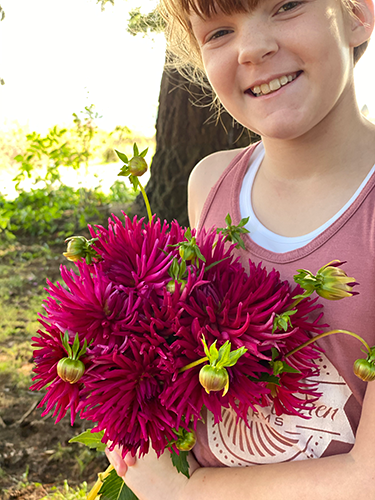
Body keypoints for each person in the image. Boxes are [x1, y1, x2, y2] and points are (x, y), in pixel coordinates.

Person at [105, 0, 375, 498]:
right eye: (219, 32)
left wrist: (181, 492)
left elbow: (369, 476)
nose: (252, 48)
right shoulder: (209, 184)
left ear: (357, 14)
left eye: (287, 5)